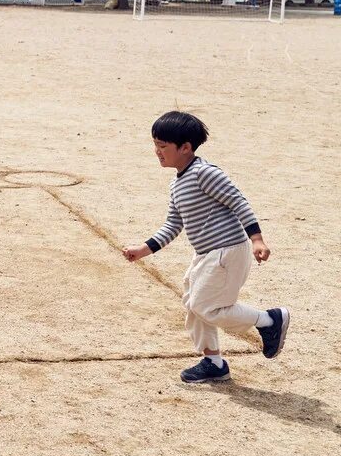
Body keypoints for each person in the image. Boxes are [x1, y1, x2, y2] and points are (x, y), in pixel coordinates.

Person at [120, 111, 291, 384]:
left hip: (227, 250)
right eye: (155, 145)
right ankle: (213, 362)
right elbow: (173, 224)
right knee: (193, 303)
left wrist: (256, 239)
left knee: (206, 306)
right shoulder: (178, 183)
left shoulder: (204, 173)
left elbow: (239, 202)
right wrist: (144, 249)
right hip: (206, 254)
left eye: (163, 146)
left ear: (185, 147)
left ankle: (269, 320)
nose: (157, 152)